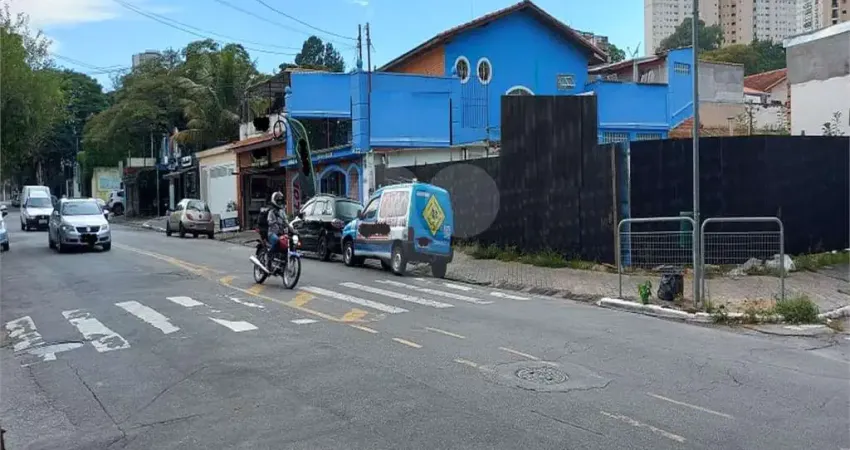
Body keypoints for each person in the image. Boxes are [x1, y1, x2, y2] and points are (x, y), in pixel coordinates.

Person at [265, 191, 294, 263]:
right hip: (272, 233)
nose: (280, 202)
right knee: (277, 240)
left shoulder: (282, 212)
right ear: (274, 201)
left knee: (291, 240)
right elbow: (269, 222)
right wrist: (274, 222)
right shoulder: (271, 212)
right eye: (278, 201)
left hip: (281, 233)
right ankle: (269, 256)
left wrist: (292, 229)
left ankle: (284, 259)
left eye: (281, 201)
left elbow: (286, 221)